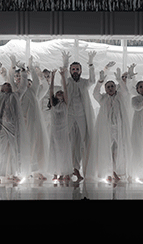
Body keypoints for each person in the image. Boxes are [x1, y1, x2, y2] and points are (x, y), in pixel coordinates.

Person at [60, 50, 98, 181]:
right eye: (73, 69)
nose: (75, 71)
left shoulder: (84, 83)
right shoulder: (68, 81)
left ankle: (77, 167)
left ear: (81, 71)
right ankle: (66, 169)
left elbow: (93, 80)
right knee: (68, 141)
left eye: (77, 69)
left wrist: (91, 63)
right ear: (70, 71)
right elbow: (63, 76)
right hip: (69, 115)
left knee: (81, 142)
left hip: (82, 115)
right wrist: (65, 62)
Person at [87, 69, 130, 183]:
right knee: (107, 149)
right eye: (108, 87)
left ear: (115, 87)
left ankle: (117, 170)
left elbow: (126, 92)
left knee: (118, 149)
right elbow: (95, 93)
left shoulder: (120, 96)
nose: (110, 88)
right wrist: (100, 81)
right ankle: (109, 171)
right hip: (107, 129)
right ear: (105, 90)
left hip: (119, 128)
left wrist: (120, 81)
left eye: (112, 86)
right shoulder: (103, 98)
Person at [0, 61, 25, 183]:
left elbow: (23, 87)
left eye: (9, 84)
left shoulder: (16, 95)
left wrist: (23, 71)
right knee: (1, 151)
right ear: (1, 88)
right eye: (5, 84)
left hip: (13, 128)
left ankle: (14, 173)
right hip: (1, 128)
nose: (7, 85)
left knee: (15, 151)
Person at [12, 56, 48, 181]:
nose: (24, 82)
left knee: (33, 144)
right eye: (21, 80)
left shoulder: (33, 91)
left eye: (26, 80)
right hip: (20, 122)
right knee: (19, 146)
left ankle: (34, 170)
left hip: (32, 123)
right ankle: (20, 170)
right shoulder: (16, 93)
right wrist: (19, 69)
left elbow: (38, 83)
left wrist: (31, 67)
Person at [45, 67, 72, 181]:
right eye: (58, 92)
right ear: (55, 96)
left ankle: (65, 172)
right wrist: (53, 78)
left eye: (61, 92)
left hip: (64, 130)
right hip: (55, 130)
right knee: (55, 150)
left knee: (64, 150)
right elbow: (50, 90)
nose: (60, 93)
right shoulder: (54, 104)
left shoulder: (65, 103)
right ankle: (56, 172)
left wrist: (62, 76)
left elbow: (65, 89)